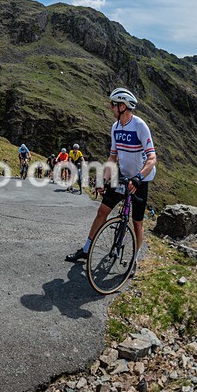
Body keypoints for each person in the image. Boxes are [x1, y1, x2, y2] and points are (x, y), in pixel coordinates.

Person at [65, 87, 157, 274]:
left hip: (141, 178)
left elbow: (152, 158)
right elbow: (113, 157)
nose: (110, 107)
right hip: (123, 176)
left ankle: (134, 259)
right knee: (102, 211)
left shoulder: (140, 126)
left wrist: (139, 177)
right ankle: (86, 249)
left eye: (113, 104)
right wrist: (103, 179)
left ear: (123, 106)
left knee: (137, 222)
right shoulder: (115, 128)